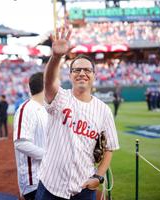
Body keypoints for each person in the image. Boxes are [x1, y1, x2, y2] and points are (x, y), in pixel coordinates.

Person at [35, 27, 119, 200]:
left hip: (84, 188)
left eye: (87, 70)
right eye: (77, 70)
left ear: (94, 76)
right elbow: (49, 82)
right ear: (71, 75)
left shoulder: (103, 110)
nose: (82, 73)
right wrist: (57, 57)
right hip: (51, 186)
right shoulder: (60, 98)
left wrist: (99, 176)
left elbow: (110, 147)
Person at [13, 72, 48, 200]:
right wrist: (50, 157)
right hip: (35, 181)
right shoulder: (27, 109)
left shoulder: (46, 108)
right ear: (46, 85)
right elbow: (20, 143)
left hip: (49, 178)